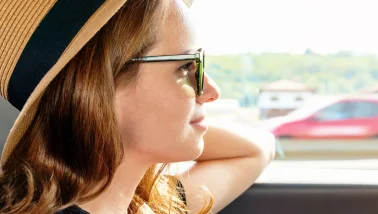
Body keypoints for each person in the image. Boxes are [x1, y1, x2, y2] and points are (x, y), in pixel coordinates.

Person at [0, 0, 275, 213]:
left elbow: (258, 148)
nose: (212, 92)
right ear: (100, 87)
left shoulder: (144, 203)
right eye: (186, 66)